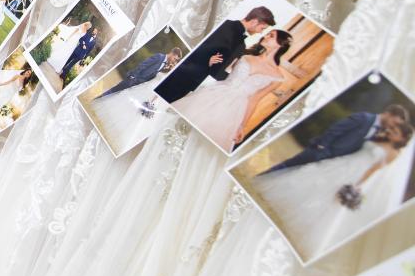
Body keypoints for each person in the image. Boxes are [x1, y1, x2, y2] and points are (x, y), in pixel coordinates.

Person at [257, 120, 413, 261]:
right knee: (313, 176)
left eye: (396, 132)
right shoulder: (380, 137)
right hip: (346, 162)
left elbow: (374, 169)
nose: (391, 132)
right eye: (393, 129)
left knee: (327, 195)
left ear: (402, 139)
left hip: (357, 172)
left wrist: (357, 184)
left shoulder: (394, 153)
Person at [170, 29, 292, 152]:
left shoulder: (277, 77)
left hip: (235, 109)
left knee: (203, 144)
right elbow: (225, 73)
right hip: (214, 94)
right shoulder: (245, 57)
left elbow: (255, 100)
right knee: (183, 126)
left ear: (280, 44)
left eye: (271, 36)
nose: (265, 36)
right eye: (267, 33)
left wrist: (242, 126)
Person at [155, 5, 275, 103]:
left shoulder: (240, 41)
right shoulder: (226, 27)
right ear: (254, 22)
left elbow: (221, 65)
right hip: (182, 75)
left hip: (194, 80)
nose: (261, 33)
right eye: (262, 28)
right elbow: (199, 45)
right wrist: (207, 60)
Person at [264, 104, 412, 173]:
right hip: (321, 150)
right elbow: (338, 128)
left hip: (332, 162)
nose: (392, 126)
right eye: (395, 122)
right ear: (390, 115)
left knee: (294, 174)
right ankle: (262, 177)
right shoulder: (364, 118)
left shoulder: (381, 133)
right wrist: (322, 146)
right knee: (288, 166)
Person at [97, 47, 183, 99]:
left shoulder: (165, 65)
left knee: (117, 95)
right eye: (175, 58)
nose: (174, 60)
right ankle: (98, 99)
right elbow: (143, 65)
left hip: (138, 83)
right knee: (115, 90)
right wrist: (133, 76)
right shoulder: (159, 56)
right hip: (133, 79)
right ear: (172, 53)